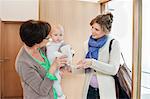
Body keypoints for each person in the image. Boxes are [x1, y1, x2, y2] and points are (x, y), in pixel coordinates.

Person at [15, 20, 67, 99]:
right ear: (36, 42)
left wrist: (60, 68)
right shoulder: (23, 63)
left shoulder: (41, 48)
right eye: (47, 37)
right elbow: (42, 90)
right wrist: (53, 68)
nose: (50, 39)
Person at [77, 13, 121, 99]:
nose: (92, 31)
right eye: (92, 28)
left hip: (105, 91)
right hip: (89, 90)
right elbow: (84, 67)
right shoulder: (87, 44)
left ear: (105, 31)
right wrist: (71, 68)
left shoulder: (113, 43)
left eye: (96, 29)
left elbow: (113, 69)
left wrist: (92, 62)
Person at [46, 25, 73, 99]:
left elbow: (68, 54)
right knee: (49, 84)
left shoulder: (62, 45)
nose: (58, 37)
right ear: (51, 35)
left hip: (56, 68)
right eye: (55, 35)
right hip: (48, 66)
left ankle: (60, 95)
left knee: (55, 82)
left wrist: (68, 63)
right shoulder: (48, 44)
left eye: (61, 35)